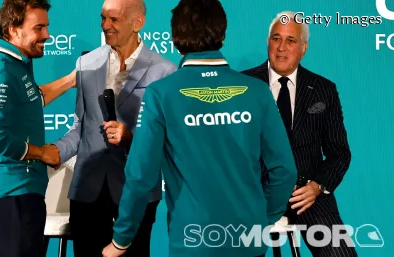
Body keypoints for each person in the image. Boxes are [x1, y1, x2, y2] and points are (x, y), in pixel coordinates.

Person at [102, 1, 297, 257]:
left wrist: (121, 240)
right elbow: (284, 170)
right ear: (222, 32)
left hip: (192, 242)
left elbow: (140, 175)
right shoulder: (257, 91)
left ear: (174, 37)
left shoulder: (161, 93)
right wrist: (264, 219)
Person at [49, 0, 177, 256]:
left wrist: (131, 138)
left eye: (114, 19)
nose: (105, 26)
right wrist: (54, 152)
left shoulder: (165, 71)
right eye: (103, 18)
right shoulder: (87, 64)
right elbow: (80, 128)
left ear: (137, 23)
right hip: (87, 191)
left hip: (136, 192)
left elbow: (167, 142)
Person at [241, 11, 357, 257]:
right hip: (255, 195)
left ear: (303, 48)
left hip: (307, 196)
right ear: (268, 42)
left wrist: (317, 187)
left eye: (290, 41)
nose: (281, 48)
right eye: (276, 39)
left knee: (340, 254)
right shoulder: (242, 85)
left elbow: (339, 153)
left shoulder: (324, 90)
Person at [0, 0, 76, 256]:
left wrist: (71, 79)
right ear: (13, 29)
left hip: (22, 193)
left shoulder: (17, 65)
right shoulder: (2, 71)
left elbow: (33, 98)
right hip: (12, 194)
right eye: (39, 28)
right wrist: (42, 153)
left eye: (46, 27)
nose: (47, 35)